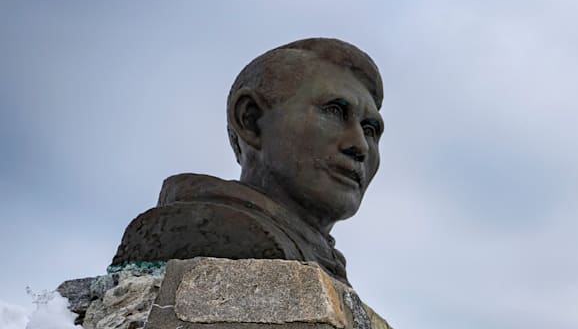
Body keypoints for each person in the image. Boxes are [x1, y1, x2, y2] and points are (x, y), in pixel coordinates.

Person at [112, 38, 386, 283]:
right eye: (335, 111)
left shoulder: (321, 258)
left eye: (370, 130)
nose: (359, 145)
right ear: (251, 120)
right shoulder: (208, 229)